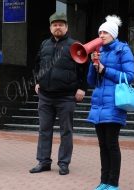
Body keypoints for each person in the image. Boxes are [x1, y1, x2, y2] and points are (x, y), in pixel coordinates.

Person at [29, 12, 89, 175]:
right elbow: (36, 65)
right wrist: (37, 81)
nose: (58, 27)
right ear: (50, 27)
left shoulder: (75, 45)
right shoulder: (44, 45)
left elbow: (85, 69)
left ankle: (64, 163)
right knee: (44, 129)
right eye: (55, 25)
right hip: (46, 95)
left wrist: (82, 88)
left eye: (61, 25)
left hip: (66, 96)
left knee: (66, 131)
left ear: (66, 27)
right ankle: (44, 161)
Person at [87, 15, 134, 190]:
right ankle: (104, 181)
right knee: (103, 146)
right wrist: (93, 65)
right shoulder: (99, 51)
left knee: (112, 144)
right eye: (100, 32)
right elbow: (92, 81)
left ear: (113, 34)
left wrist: (105, 69)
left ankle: (113, 183)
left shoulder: (123, 50)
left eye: (105, 32)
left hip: (114, 104)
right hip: (99, 105)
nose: (101, 35)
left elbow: (129, 77)